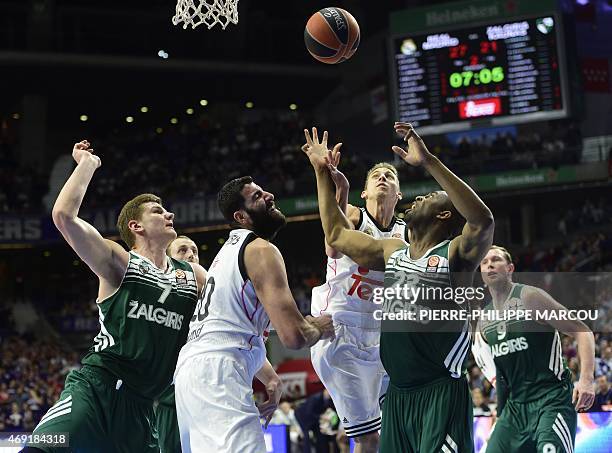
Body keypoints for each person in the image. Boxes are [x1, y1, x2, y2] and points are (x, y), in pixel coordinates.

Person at [302, 123, 495, 452]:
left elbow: (482, 221)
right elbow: (334, 235)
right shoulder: (392, 253)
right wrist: (321, 173)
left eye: (429, 197)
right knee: (369, 439)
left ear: (444, 214)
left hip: (439, 390)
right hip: (397, 394)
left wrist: (430, 161)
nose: (420, 197)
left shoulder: (455, 256)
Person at [26, 140, 206, 453]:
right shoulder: (121, 261)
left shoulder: (193, 276)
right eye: (157, 211)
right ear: (136, 226)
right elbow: (63, 216)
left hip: (141, 409)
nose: (170, 213)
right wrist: (87, 164)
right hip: (96, 392)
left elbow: (234, 313)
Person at [174, 176, 335, 453]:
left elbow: (225, 328)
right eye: (258, 196)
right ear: (241, 216)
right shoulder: (260, 250)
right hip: (218, 372)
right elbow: (294, 336)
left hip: (191, 373)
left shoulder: (224, 255)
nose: (270, 195)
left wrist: (271, 377)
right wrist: (322, 324)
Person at [309, 148, 406, 452]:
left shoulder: (409, 232)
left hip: (384, 338)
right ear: (364, 192)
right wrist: (340, 190)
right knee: (368, 438)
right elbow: (332, 247)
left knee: (395, 431)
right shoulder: (354, 214)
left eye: (389, 176)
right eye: (376, 176)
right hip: (343, 330)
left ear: (399, 193)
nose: (382, 178)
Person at [479, 245, 596, 453]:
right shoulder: (484, 321)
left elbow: (582, 331)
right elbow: (503, 375)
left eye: (496, 260)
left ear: (510, 268)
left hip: (552, 399)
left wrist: (586, 379)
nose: (490, 265)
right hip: (515, 408)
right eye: (484, 262)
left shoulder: (530, 297)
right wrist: (501, 413)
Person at [156, 235, 203, 453]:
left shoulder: (212, 293)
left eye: (194, 250)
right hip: (173, 402)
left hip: (207, 396)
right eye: (182, 250)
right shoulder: (163, 294)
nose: (190, 254)